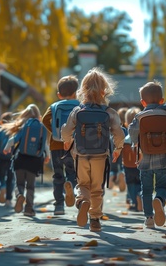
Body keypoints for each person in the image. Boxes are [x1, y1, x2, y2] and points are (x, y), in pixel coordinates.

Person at [61, 67, 125, 232]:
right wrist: (118, 148)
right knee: (97, 188)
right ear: (104, 91)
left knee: (83, 184)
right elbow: (118, 133)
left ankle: (82, 201)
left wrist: (67, 142)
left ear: (83, 90)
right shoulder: (109, 112)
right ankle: (95, 219)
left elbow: (66, 131)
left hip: (81, 155)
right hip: (101, 155)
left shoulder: (78, 111)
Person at [128, 81, 166, 228]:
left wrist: (137, 142)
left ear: (142, 102)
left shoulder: (140, 117)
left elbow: (132, 133)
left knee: (146, 189)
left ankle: (149, 218)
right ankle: (160, 200)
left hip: (145, 159)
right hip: (165, 157)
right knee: (162, 185)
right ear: (162, 100)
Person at [2, 104, 49, 217]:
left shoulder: (24, 126)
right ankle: (28, 209)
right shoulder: (42, 127)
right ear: (38, 115)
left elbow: (13, 139)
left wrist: (6, 148)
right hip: (34, 162)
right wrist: (47, 156)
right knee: (30, 187)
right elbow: (45, 146)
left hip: (20, 159)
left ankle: (19, 196)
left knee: (19, 184)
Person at [41, 75, 79, 215]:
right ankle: (72, 189)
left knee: (57, 175)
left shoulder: (54, 106)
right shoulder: (78, 106)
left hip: (55, 145)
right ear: (76, 93)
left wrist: (56, 133)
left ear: (59, 94)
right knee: (73, 173)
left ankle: (59, 206)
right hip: (73, 146)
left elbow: (45, 120)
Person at [122, 107, 142, 211]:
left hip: (128, 165)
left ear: (126, 123)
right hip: (140, 164)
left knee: (131, 184)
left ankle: (134, 202)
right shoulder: (141, 137)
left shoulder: (126, 139)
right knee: (141, 183)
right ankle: (140, 196)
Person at [0, 112, 17, 207]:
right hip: (11, 157)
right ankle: (8, 199)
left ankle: (2, 186)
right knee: (10, 178)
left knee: (0, 175)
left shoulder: (0, 130)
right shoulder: (14, 131)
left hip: (0, 156)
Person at [108, 107, 127, 192]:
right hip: (125, 155)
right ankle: (122, 173)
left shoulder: (114, 131)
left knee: (113, 169)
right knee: (123, 167)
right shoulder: (127, 131)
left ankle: (111, 175)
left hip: (113, 154)